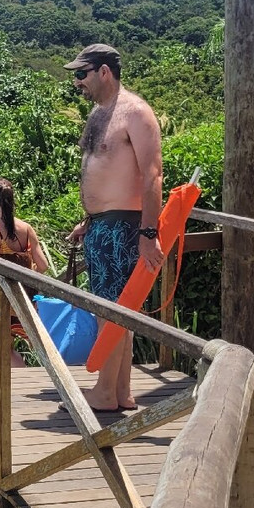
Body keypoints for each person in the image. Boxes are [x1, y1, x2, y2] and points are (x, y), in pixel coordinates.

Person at [65, 44, 164, 412]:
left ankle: (105, 392)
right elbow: (103, 171)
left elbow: (153, 175)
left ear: (104, 72)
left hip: (125, 227)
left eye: (82, 74)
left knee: (113, 309)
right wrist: (89, 220)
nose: (77, 82)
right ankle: (120, 392)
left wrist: (148, 234)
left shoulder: (136, 113)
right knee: (117, 308)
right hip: (101, 226)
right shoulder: (97, 114)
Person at [0, 178, 48, 370]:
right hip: (19, 296)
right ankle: (23, 385)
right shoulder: (26, 228)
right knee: (6, 349)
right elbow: (43, 265)